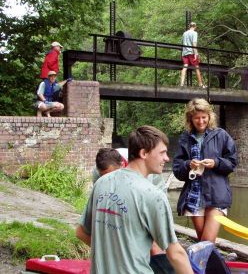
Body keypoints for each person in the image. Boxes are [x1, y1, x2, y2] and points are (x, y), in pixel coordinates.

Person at [76, 126, 193, 274]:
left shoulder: (101, 183)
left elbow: (81, 232)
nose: (167, 158)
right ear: (144, 153)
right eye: (162, 153)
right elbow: (175, 253)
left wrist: (110, 255)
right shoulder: (154, 195)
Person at [173, 98, 237, 243]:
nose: (201, 121)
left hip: (216, 196)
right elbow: (177, 170)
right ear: (190, 119)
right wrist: (189, 164)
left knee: (207, 242)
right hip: (194, 196)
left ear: (209, 116)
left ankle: (201, 265)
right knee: (203, 243)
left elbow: (232, 163)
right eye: (196, 118)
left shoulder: (221, 135)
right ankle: (206, 265)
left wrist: (215, 163)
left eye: (204, 117)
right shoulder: (185, 138)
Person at [180, 22, 205, 88]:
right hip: (191, 52)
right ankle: (200, 84)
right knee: (197, 68)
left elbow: (182, 43)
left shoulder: (184, 33)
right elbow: (194, 44)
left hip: (184, 53)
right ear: (195, 26)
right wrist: (196, 54)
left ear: (189, 26)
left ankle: (181, 84)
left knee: (185, 67)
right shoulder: (194, 33)